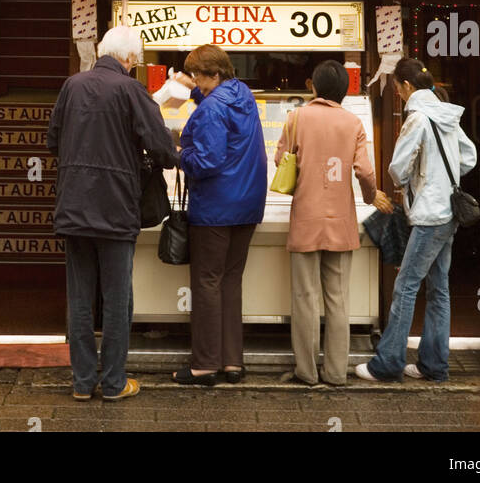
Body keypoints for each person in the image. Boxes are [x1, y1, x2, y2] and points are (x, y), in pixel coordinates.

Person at [47, 25, 178, 402]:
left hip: (73, 205)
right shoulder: (131, 89)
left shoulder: (71, 85)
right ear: (131, 59)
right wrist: (170, 157)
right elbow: (160, 145)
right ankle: (115, 382)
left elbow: (53, 140)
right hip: (116, 209)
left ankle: (83, 382)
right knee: (118, 299)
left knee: (80, 296)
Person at [355, 58, 476, 384]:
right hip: (448, 213)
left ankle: (388, 364)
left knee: (406, 287)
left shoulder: (417, 118)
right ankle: (433, 365)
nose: (398, 93)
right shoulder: (446, 114)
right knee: (439, 290)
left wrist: (420, 178)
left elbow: (397, 168)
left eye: (397, 87)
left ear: (406, 86)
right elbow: (469, 156)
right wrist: (438, 172)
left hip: (427, 215)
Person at [274, 59, 391, 386]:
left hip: (306, 219)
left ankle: (307, 372)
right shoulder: (353, 123)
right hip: (340, 220)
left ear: (313, 86)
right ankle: (337, 373)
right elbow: (365, 172)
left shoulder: (296, 118)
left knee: (305, 298)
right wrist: (370, 197)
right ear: (346, 89)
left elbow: (279, 159)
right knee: (338, 299)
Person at [172, 44, 267, 386]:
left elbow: (208, 161)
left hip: (216, 208)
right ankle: (231, 362)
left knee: (207, 283)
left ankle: (204, 365)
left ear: (214, 75)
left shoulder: (211, 108)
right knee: (230, 281)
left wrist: (180, 154)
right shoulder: (242, 95)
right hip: (248, 204)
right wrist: (191, 87)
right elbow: (214, 101)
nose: (196, 80)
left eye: (198, 75)